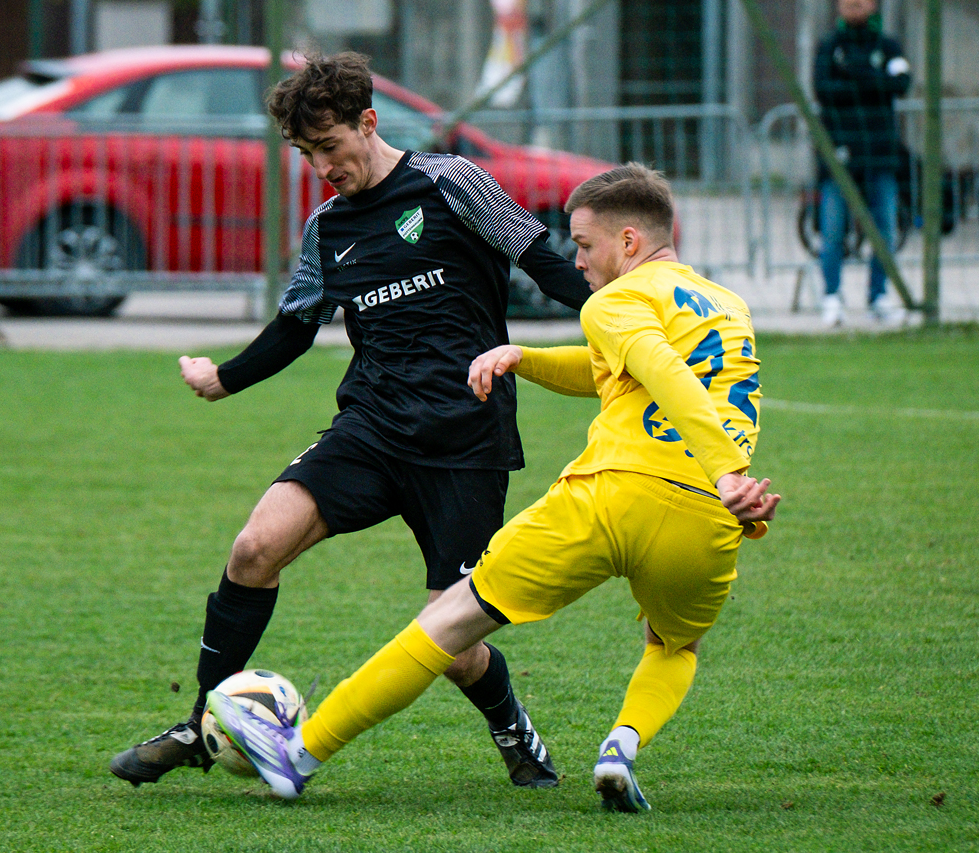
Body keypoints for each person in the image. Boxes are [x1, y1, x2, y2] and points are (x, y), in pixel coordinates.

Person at [209, 163, 781, 812]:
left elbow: (659, 368)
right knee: (674, 645)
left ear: (628, 241)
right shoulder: (727, 306)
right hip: (706, 518)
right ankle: (620, 747)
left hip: (610, 497)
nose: (576, 261)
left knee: (448, 621)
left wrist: (725, 467)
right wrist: (524, 359)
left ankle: (300, 753)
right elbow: (623, 370)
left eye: (584, 244)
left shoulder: (615, 300)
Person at [110, 52, 592, 790]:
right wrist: (223, 378)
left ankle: (510, 726)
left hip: (464, 438)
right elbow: (295, 325)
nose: (321, 168)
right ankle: (202, 720)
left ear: (368, 123)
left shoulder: (453, 181)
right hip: (371, 427)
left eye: (329, 147)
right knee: (253, 549)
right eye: (307, 154)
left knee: (453, 644)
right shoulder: (327, 226)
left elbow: (544, 260)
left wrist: (632, 318)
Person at [813, 0, 911, 327]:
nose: (854, 2)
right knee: (832, 229)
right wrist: (874, 82)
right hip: (838, 154)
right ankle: (831, 297)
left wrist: (856, 75)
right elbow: (823, 90)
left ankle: (878, 297)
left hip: (881, 153)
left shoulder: (889, 45)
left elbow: (901, 83)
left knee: (884, 228)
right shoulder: (829, 46)